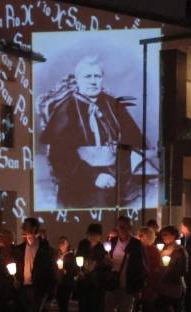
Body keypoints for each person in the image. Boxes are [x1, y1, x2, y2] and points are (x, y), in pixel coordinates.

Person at [37, 55, 148, 209]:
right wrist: (94, 177)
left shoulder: (113, 105)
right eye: (87, 76)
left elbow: (129, 144)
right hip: (79, 181)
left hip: (117, 178)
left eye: (97, 76)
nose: (93, 81)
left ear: (102, 79)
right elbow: (59, 157)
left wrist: (118, 173)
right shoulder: (66, 109)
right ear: (78, 79)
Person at [14, 217, 57, 312]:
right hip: (26, 288)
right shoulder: (21, 248)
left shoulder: (45, 249)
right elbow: (19, 267)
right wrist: (18, 278)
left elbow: (52, 274)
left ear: (33, 229)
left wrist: (50, 295)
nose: (22, 229)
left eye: (25, 227)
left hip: (39, 290)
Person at [103, 216, 145, 312]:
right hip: (114, 283)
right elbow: (110, 261)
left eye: (124, 226)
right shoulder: (113, 242)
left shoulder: (136, 244)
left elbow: (141, 267)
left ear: (129, 228)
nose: (121, 229)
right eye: (119, 226)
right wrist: (108, 262)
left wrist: (139, 288)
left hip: (128, 285)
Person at [149, 226, 189, 312]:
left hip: (176, 286)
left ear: (174, 235)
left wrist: (168, 271)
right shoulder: (164, 248)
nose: (164, 237)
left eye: (166, 234)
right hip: (164, 286)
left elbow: (184, 270)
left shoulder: (180, 251)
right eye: (163, 235)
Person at [75, 224, 107, 312]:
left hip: (96, 285)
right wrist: (79, 270)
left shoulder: (101, 249)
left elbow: (103, 267)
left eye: (94, 235)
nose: (92, 237)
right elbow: (77, 260)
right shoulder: (83, 245)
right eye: (90, 234)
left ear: (99, 236)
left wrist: (95, 267)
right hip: (84, 284)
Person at [55, 236, 78, 312]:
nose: (62, 244)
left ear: (67, 244)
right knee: (60, 301)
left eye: (64, 242)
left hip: (67, 282)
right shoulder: (58, 255)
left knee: (64, 301)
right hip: (59, 282)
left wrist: (66, 271)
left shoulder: (70, 255)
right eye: (60, 242)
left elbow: (74, 269)